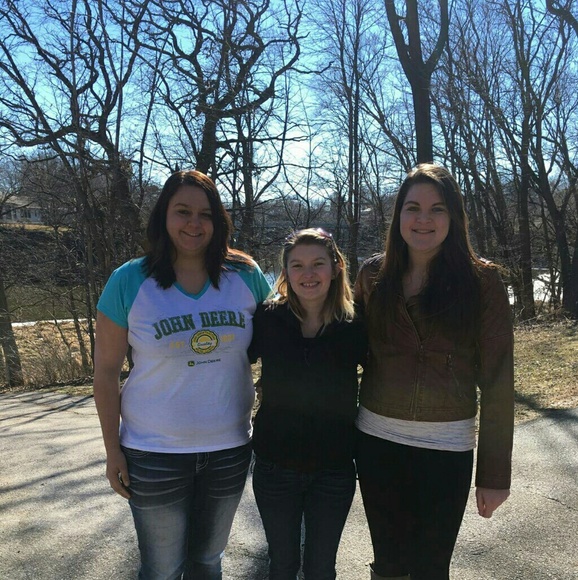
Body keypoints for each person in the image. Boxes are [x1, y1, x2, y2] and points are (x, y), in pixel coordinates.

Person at [93, 169, 271, 580]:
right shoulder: (128, 280)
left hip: (229, 449)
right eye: (183, 211)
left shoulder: (245, 275)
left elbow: (285, 338)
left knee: (208, 562)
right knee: (162, 569)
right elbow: (105, 373)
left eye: (205, 214)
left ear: (218, 221)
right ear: (164, 216)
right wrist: (112, 450)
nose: (194, 223)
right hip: (152, 453)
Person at [354, 164, 514, 580]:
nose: (423, 219)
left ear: (453, 217)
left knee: (430, 568)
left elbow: (498, 383)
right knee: (388, 565)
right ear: (398, 216)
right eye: (413, 208)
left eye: (437, 209)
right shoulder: (372, 276)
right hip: (376, 443)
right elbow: (347, 351)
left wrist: (494, 475)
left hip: (446, 448)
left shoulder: (482, 283)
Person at [249, 228, 367, 580]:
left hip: (334, 468)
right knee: (282, 565)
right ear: (286, 272)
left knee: (321, 568)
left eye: (318, 263)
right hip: (274, 466)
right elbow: (229, 363)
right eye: (297, 265)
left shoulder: (355, 323)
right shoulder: (267, 317)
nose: (308, 274)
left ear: (336, 267)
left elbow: (385, 374)